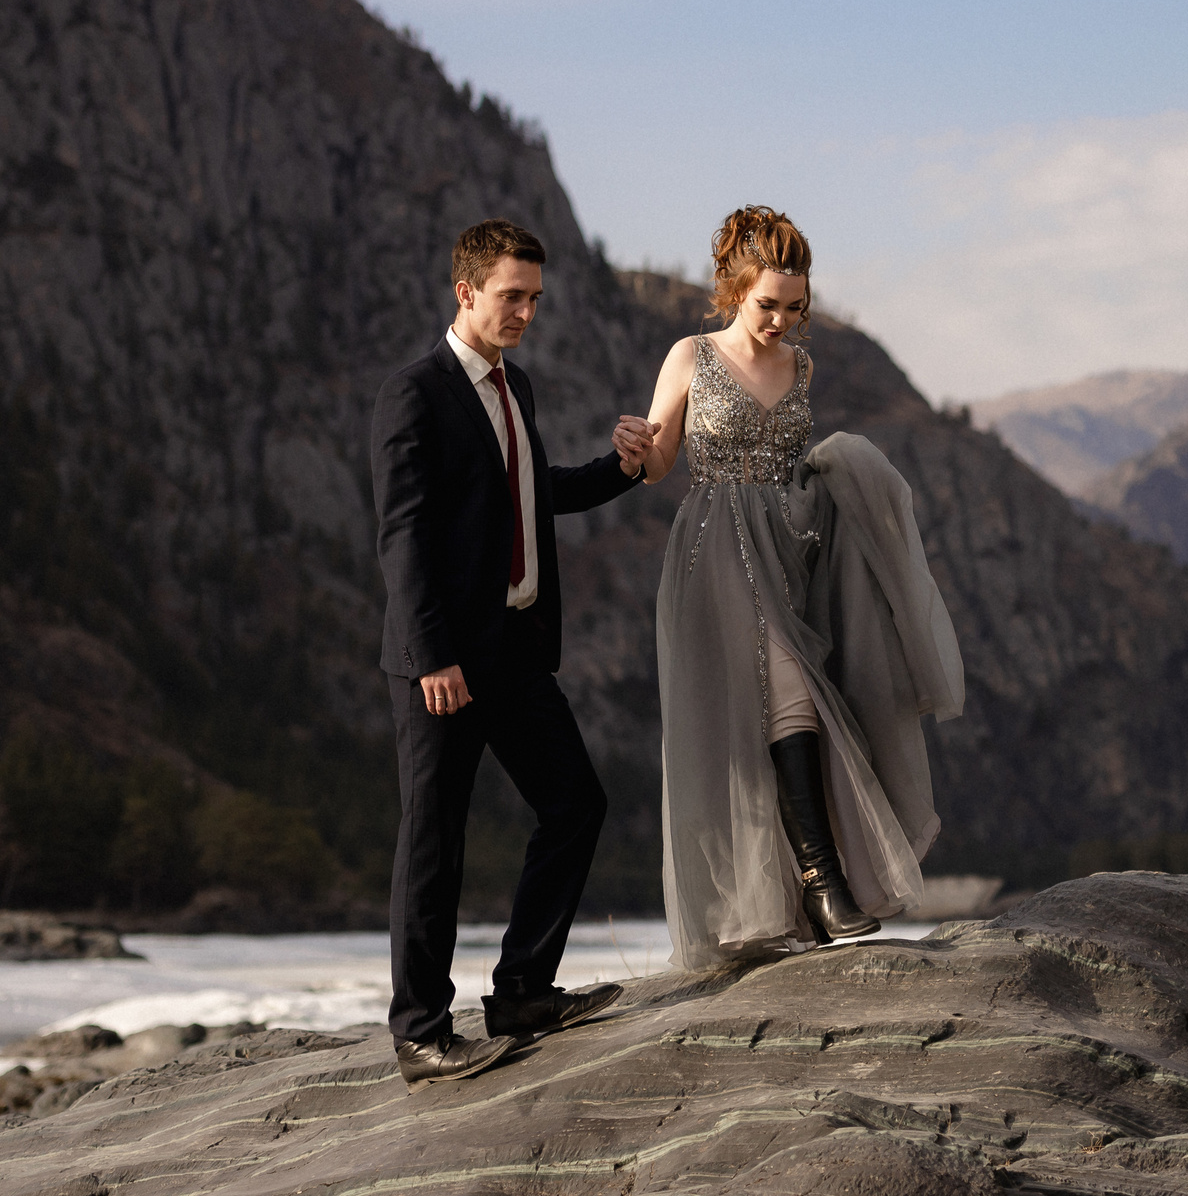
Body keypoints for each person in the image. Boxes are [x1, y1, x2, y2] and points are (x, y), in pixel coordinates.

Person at [624, 206, 963, 968]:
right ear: (733, 289)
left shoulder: (801, 368)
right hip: (716, 547)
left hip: (793, 547)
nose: (781, 321)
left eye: (795, 307)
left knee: (794, 705)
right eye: (768, 304)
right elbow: (660, 464)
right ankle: (822, 879)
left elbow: (792, 461)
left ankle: (800, 894)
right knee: (791, 692)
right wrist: (636, 447)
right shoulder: (690, 356)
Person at [370, 218, 655, 1086]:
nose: (525, 311)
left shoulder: (513, 387)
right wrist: (432, 657)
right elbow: (403, 537)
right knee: (434, 841)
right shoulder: (413, 393)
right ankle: (420, 1031)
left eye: (534, 297)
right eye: (511, 295)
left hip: (516, 653)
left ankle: (523, 990)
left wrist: (620, 469)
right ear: (466, 291)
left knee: (576, 804)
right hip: (443, 664)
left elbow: (534, 493)